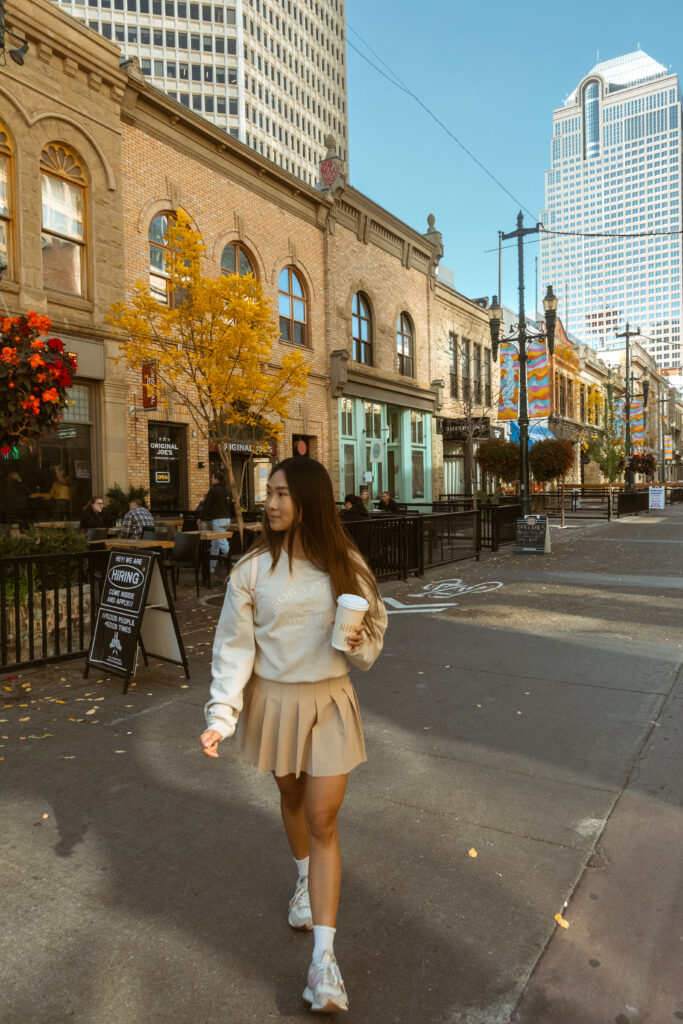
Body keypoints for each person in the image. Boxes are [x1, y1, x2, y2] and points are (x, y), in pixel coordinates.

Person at [200, 457, 387, 1013]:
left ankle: (324, 964)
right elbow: (234, 649)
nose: (273, 503)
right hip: (275, 700)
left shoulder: (344, 563)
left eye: (283, 493)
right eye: (270, 494)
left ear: (309, 499)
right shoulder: (252, 570)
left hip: (329, 698)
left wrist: (359, 645)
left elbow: (374, 624)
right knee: (290, 795)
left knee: (322, 816)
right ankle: (304, 877)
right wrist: (220, 716)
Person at [201, 469, 233, 575]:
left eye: (212, 477)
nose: (211, 479)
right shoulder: (227, 491)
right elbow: (229, 506)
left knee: (222, 544)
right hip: (227, 520)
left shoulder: (214, 490)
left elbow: (206, 505)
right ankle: (211, 567)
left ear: (216, 479)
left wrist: (201, 517)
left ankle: (234, 564)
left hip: (218, 520)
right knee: (215, 543)